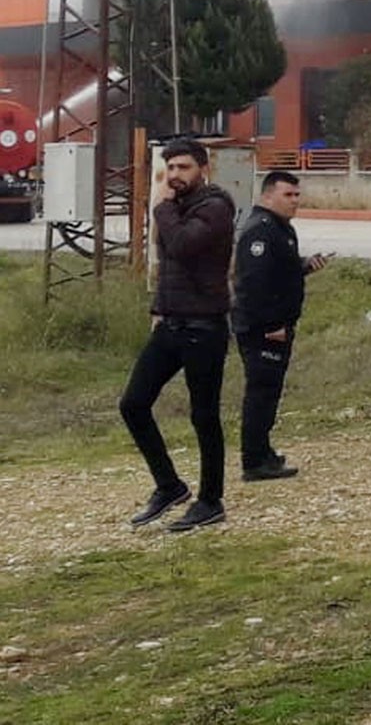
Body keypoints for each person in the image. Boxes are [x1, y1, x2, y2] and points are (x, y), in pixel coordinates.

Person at [122, 137, 237, 533]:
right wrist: (157, 307)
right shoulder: (175, 210)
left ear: (202, 169)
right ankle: (169, 486)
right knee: (133, 404)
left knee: (204, 416)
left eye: (183, 168)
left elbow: (185, 246)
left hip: (204, 328)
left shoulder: (216, 206)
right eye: (170, 168)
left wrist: (161, 208)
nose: (174, 176)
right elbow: (168, 264)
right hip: (171, 323)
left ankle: (210, 500)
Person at [231, 169, 329, 482]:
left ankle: (263, 451)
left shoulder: (280, 228)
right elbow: (254, 284)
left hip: (277, 325)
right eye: (288, 195)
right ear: (268, 195)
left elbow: (280, 272)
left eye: (297, 195)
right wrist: (272, 324)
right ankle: (253, 461)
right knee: (260, 393)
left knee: (270, 392)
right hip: (263, 328)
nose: (295, 201)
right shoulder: (260, 230)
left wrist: (304, 266)